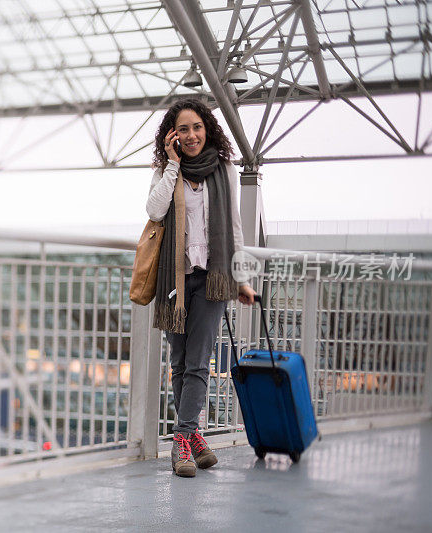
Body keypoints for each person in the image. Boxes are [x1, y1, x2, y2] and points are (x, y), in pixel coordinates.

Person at [146, 99, 256, 477]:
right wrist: (172, 164)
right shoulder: (167, 170)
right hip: (174, 279)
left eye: (197, 127)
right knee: (178, 362)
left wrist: (240, 278)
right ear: (172, 135)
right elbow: (154, 210)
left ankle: (182, 439)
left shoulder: (222, 169)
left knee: (198, 362)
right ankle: (195, 440)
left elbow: (235, 228)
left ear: (207, 129)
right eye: (183, 129)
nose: (191, 135)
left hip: (213, 278)